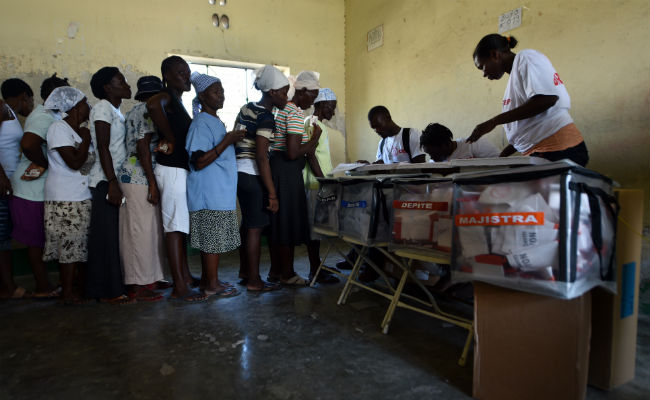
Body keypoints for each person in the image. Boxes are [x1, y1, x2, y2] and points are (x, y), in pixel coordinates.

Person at [469, 34, 589, 166]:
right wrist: (501, 157)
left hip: (557, 148)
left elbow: (547, 99)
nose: (484, 74)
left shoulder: (526, 57)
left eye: (482, 67)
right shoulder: (513, 82)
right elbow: (525, 129)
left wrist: (494, 121)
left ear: (495, 55)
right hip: (541, 152)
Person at [147, 56, 206, 302]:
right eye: (180, 72)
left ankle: (186, 276)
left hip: (179, 169)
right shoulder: (166, 96)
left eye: (188, 72)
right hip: (170, 170)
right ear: (167, 75)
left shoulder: (179, 102)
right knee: (174, 227)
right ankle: (179, 286)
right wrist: (169, 137)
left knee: (180, 227)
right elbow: (151, 105)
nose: (186, 76)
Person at [9, 74, 69, 299]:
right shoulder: (43, 116)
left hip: (42, 188)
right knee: (35, 241)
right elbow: (28, 144)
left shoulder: (55, 115)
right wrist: (46, 164)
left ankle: (51, 283)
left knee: (43, 240)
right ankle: (43, 286)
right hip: (30, 190)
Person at [186, 72, 243, 299]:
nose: (221, 96)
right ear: (202, 95)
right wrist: (227, 141)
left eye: (222, 91)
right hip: (208, 193)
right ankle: (211, 286)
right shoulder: (201, 123)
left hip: (218, 191)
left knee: (212, 241)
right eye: (215, 91)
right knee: (211, 242)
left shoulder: (214, 121)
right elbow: (198, 161)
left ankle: (211, 281)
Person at [234, 65, 287, 292]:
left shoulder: (247, 108)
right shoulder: (266, 117)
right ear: (272, 92)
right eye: (284, 92)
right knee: (256, 229)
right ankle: (255, 281)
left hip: (237, 172)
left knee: (247, 225)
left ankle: (245, 272)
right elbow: (261, 157)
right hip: (252, 174)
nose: (286, 97)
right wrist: (272, 193)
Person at [268, 71, 322, 285]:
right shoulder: (293, 112)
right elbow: (292, 152)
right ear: (304, 91)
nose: (314, 100)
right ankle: (287, 273)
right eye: (313, 95)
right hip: (287, 170)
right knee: (286, 223)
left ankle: (276, 271)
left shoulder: (280, 109)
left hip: (277, 168)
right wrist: (314, 140)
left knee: (279, 223)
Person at [117, 76, 168, 302]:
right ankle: (138, 285)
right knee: (140, 233)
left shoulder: (133, 111)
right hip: (139, 176)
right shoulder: (147, 111)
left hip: (138, 175)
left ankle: (150, 279)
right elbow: (142, 147)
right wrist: (153, 183)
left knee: (147, 231)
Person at [42, 87, 95, 305]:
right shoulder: (58, 128)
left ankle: (78, 288)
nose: (88, 107)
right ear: (74, 107)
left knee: (79, 245)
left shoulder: (79, 130)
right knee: (68, 246)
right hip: (65, 196)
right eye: (85, 103)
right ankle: (67, 294)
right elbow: (74, 163)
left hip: (81, 195)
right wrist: (85, 139)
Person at [86, 66, 133, 304]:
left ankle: (112, 287)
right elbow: (103, 147)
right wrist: (112, 182)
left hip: (113, 178)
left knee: (113, 236)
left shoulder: (117, 111)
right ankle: (107, 291)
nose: (126, 85)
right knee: (105, 238)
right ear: (107, 87)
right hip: (104, 180)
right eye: (121, 81)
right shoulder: (103, 108)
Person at [0, 78, 34, 299]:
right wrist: (1, 176)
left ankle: (7, 287)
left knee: (4, 236)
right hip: (1, 183)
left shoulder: (10, 114)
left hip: (9, 183)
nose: (31, 106)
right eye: (30, 101)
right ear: (24, 96)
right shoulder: (2, 108)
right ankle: (9, 288)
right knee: (1, 238)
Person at [303, 88, 339, 284]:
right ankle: (314, 270)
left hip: (319, 182)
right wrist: (323, 181)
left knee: (317, 229)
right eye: (330, 107)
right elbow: (310, 154)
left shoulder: (318, 125)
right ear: (320, 105)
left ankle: (317, 266)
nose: (332, 112)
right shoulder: (313, 123)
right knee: (314, 230)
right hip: (316, 184)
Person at [420, 122, 500, 162]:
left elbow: (501, 162)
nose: (432, 158)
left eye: (434, 154)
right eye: (429, 154)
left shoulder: (473, 144)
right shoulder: (434, 163)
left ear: (446, 144)